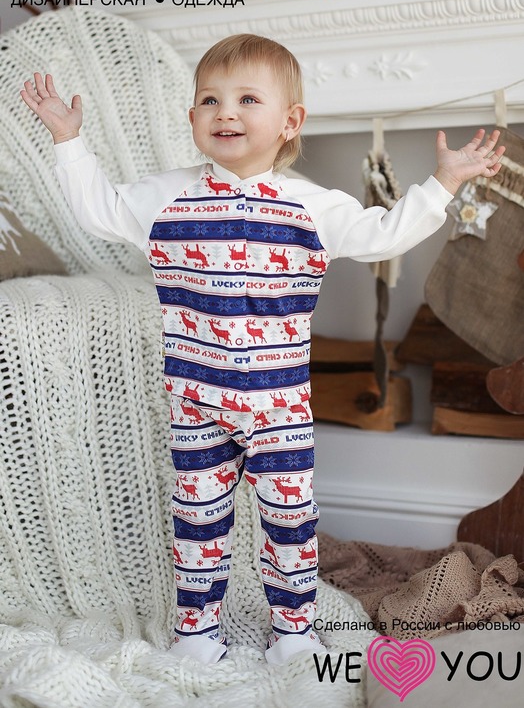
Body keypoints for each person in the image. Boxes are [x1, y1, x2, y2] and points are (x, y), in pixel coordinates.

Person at [20, 33, 504, 667]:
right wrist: (68, 140)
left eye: (247, 99)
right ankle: (196, 634)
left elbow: (386, 235)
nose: (225, 112)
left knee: (290, 522)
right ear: (192, 117)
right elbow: (98, 210)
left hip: (279, 407)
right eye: (210, 100)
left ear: (289, 122)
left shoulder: (311, 206)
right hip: (195, 403)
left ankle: (293, 632)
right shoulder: (166, 198)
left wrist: (443, 182)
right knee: (197, 523)